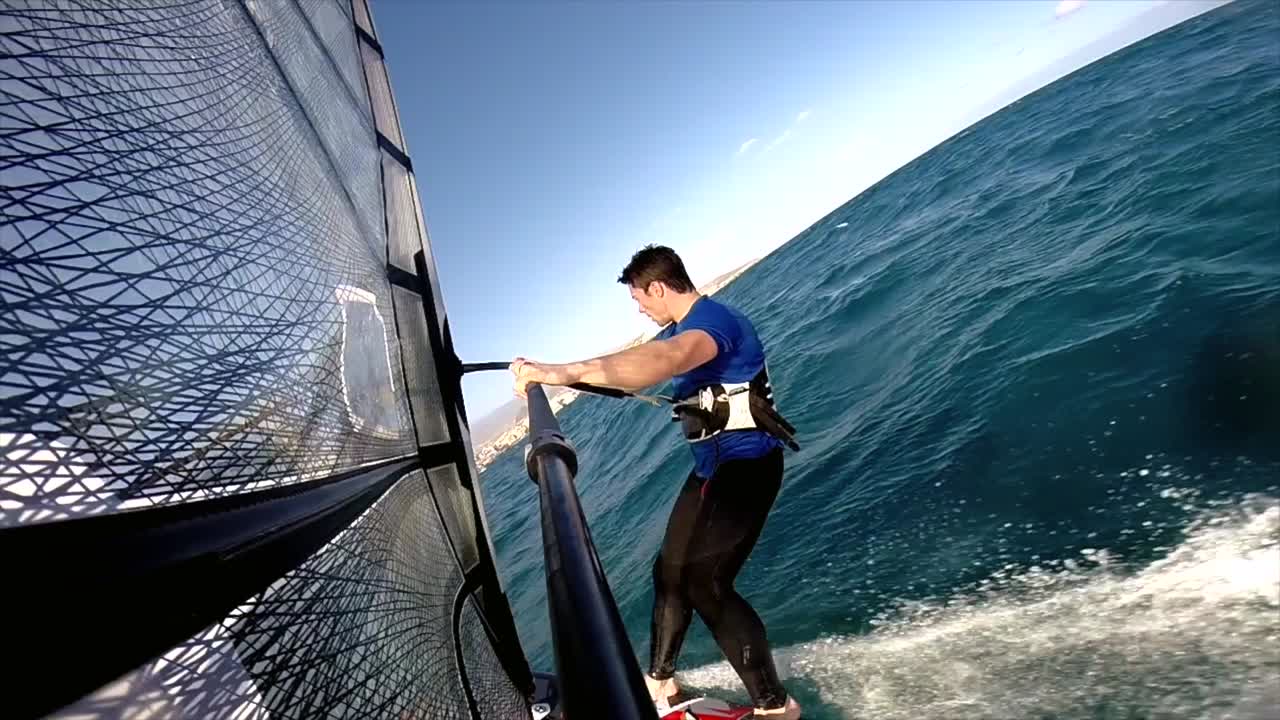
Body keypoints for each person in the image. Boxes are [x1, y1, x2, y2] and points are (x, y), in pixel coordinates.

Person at [509, 245, 802, 719]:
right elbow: (634, 374)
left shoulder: (712, 325)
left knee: (706, 583)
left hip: (748, 468)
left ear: (658, 287)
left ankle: (776, 706)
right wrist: (553, 374)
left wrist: (558, 372)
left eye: (639, 298)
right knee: (668, 573)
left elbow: (666, 360)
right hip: (712, 472)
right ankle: (660, 683)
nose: (640, 307)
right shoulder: (681, 329)